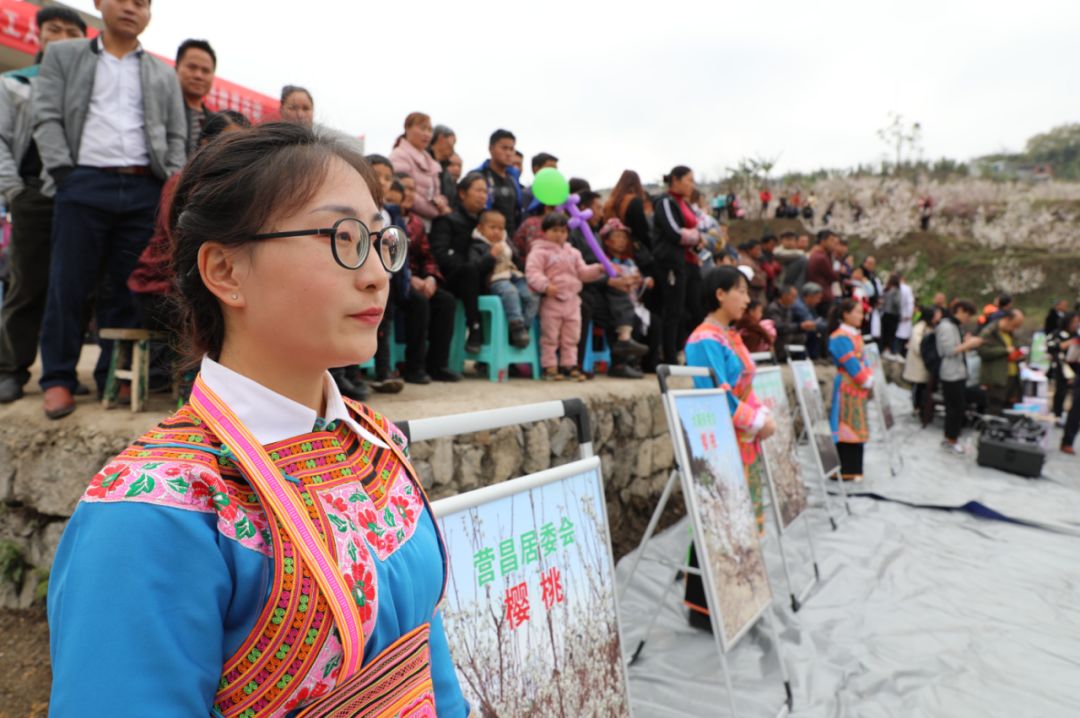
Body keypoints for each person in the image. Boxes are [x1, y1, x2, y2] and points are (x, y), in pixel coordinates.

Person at [47, 122, 467, 716]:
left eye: (380, 241)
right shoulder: (154, 509)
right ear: (225, 271)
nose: (377, 272)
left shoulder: (373, 442)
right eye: (343, 237)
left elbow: (429, 666)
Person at [33, 0, 186, 419]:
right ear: (99, 3)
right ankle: (58, 379)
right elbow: (45, 115)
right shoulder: (65, 54)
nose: (131, 8)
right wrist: (65, 172)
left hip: (143, 187)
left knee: (126, 287)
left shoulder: (161, 72)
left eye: (142, 3)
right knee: (68, 285)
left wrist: (168, 182)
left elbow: (176, 134)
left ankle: (111, 377)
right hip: (83, 180)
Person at [126, 110, 252, 393]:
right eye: (228, 141)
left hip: (200, 280)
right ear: (205, 143)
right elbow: (183, 248)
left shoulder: (235, 188)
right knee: (218, 299)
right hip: (160, 288)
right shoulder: (182, 182)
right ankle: (198, 389)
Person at [0, 6, 87, 405]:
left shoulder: (88, 89)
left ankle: (62, 373)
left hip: (82, 196)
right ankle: (10, 369)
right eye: (55, 29)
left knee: (72, 288)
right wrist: (14, 190)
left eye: (73, 32)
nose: (63, 37)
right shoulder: (16, 83)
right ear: (39, 35)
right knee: (27, 282)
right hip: (34, 193)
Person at [683, 266, 775, 629]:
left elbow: (739, 389)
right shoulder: (706, 339)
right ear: (720, 294)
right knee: (715, 519)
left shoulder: (727, 335)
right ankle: (706, 607)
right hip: (720, 441)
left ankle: (729, 596)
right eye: (741, 291)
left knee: (731, 519)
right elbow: (717, 396)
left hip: (739, 440)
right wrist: (756, 420)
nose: (747, 299)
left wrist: (757, 416)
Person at [525, 212, 605, 381]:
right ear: (544, 232)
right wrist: (546, 286)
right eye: (554, 230)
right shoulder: (539, 252)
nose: (559, 234)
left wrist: (598, 269)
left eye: (563, 231)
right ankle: (550, 367)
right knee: (550, 336)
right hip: (551, 300)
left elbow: (582, 272)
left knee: (572, 336)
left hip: (572, 300)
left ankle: (569, 365)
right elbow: (532, 272)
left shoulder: (573, 253)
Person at [398, 173, 461, 384]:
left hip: (418, 280)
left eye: (411, 189)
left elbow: (427, 256)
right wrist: (409, 278)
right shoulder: (382, 220)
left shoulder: (416, 223)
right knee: (419, 302)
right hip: (397, 281)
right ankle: (413, 367)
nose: (408, 194)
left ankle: (437, 365)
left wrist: (431, 277)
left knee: (446, 301)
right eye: (403, 188)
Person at [430, 171, 491, 353]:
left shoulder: (488, 222)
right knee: (468, 270)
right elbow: (439, 256)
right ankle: (475, 328)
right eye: (478, 190)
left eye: (485, 192)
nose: (483, 196)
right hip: (452, 280)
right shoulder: (447, 221)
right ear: (462, 193)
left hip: (482, 278)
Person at [653, 165, 701, 365]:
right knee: (673, 310)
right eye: (688, 179)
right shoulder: (665, 202)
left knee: (693, 309)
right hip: (671, 262)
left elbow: (694, 231)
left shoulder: (686, 204)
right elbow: (674, 232)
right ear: (675, 180)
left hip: (690, 262)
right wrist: (697, 237)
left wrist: (698, 239)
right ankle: (670, 355)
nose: (692, 184)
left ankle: (690, 352)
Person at [470, 208, 537, 348]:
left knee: (531, 296)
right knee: (510, 292)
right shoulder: (477, 246)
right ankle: (517, 327)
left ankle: (524, 328)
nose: (497, 232)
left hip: (514, 276)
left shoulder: (507, 243)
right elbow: (476, 268)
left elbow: (517, 262)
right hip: (493, 281)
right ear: (480, 228)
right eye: (492, 227)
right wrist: (491, 255)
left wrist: (512, 250)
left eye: (501, 228)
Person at [827, 298, 874, 481]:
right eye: (857, 312)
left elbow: (863, 360)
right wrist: (864, 379)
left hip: (857, 386)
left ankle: (854, 468)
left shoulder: (853, 335)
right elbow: (851, 362)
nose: (860, 316)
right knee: (846, 423)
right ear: (845, 314)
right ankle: (845, 468)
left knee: (856, 424)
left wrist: (867, 376)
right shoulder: (840, 337)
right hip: (848, 386)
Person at [936, 299, 983, 454]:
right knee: (954, 408)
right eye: (968, 315)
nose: (968, 319)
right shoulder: (946, 326)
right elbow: (948, 351)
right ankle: (950, 439)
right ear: (960, 310)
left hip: (959, 372)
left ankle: (952, 437)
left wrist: (966, 342)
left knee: (959, 406)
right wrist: (968, 344)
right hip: (951, 373)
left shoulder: (955, 326)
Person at [389, 112, 449, 227]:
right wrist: (434, 211)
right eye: (422, 128)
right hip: (406, 221)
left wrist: (441, 202)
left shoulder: (430, 160)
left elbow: (436, 193)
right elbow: (403, 191)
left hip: (427, 223)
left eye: (430, 130)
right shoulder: (399, 155)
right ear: (407, 128)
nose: (427, 134)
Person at [474, 128, 522, 234]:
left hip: (511, 238)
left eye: (511, 149)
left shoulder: (513, 178)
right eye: (504, 148)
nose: (509, 153)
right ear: (491, 148)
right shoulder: (478, 176)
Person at [978, 308, 1025, 415]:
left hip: (1012, 376)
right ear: (1006, 319)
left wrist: (1019, 355)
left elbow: (1015, 348)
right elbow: (982, 351)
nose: (1014, 328)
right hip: (996, 377)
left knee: (1009, 408)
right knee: (995, 407)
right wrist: (1004, 351)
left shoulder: (1011, 334)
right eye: (1014, 325)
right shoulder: (990, 332)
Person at [903, 304, 942, 427]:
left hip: (925, 363)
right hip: (919, 363)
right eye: (937, 314)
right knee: (918, 386)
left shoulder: (932, 327)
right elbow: (918, 346)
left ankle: (922, 406)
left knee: (923, 386)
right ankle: (917, 407)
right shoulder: (919, 328)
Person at [175, 39, 216, 157]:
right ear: (176, 68)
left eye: (206, 71)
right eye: (192, 67)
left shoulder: (215, 121)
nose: (198, 75)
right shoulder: (161, 110)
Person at [765, 284, 815, 361]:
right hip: (775, 336)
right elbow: (779, 327)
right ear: (784, 295)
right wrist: (799, 326)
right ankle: (779, 357)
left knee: (803, 335)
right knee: (788, 336)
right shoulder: (773, 308)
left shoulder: (788, 308)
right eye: (793, 296)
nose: (795, 299)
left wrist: (803, 327)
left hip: (786, 332)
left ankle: (792, 357)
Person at [1049, 311, 1079, 421]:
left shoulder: (1076, 335)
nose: (1075, 324)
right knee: (1060, 391)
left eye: (1077, 322)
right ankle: (1057, 414)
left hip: (1075, 366)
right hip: (1060, 366)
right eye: (1073, 322)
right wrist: (1063, 345)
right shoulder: (1057, 333)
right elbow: (1050, 346)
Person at [806, 231, 839, 318]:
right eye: (831, 241)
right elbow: (833, 276)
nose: (834, 244)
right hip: (823, 297)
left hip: (821, 295)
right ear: (823, 241)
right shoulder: (821, 258)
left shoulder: (820, 255)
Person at [427, 123, 457, 201]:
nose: (453, 149)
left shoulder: (447, 173)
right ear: (441, 138)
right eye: (452, 143)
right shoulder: (421, 161)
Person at [880, 273, 902, 358]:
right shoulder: (896, 290)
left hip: (885, 313)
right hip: (893, 314)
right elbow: (897, 302)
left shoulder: (887, 289)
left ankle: (884, 349)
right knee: (891, 333)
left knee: (885, 332)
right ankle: (888, 349)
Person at [895, 275, 915, 356]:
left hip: (898, 317)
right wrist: (909, 314)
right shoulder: (906, 289)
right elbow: (910, 303)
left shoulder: (896, 287)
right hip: (905, 317)